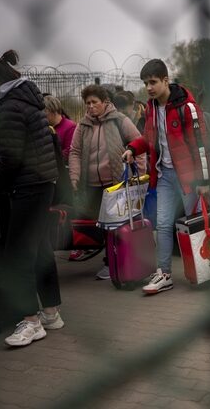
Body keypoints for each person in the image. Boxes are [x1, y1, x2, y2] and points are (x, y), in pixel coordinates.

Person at [0, 50, 63, 347]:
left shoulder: (10, 105)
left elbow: (11, 154)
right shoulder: (28, 97)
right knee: (39, 250)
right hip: (42, 182)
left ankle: (30, 320)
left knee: (18, 254)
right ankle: (50, 312)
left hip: (28, 185)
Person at [122, 58, 210, 294]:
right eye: (145, 83)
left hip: (188, 178)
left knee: (195, 225)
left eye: (153, 82)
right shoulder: (151, 108)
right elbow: (148, 138)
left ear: (165, 80)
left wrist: (203, 180)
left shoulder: (187, 107)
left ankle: (206, 269)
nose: (149, 88)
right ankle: (165, 274)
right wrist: (132, 148)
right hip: (163, 176)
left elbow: (201, 145)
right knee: (162, 225)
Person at [68, 84, 145, 279]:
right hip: (92, 185)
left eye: (95, 102)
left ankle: (115, 263)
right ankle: (112, 259)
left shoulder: (119, 120)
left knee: (117, 225)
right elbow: (75, 152)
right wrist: (75, 177)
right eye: (87, 103)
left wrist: (141, 177)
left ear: (105, 102)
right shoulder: (83, 125)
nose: (91, 107)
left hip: (116, 183)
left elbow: (138, 143)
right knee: (101, 226)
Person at [43, 95, 76, 164]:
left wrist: (50, 159)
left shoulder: (70, 127)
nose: (43, 115)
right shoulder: (46, 126)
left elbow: (69, 151)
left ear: (53, 110)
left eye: (45, 112)